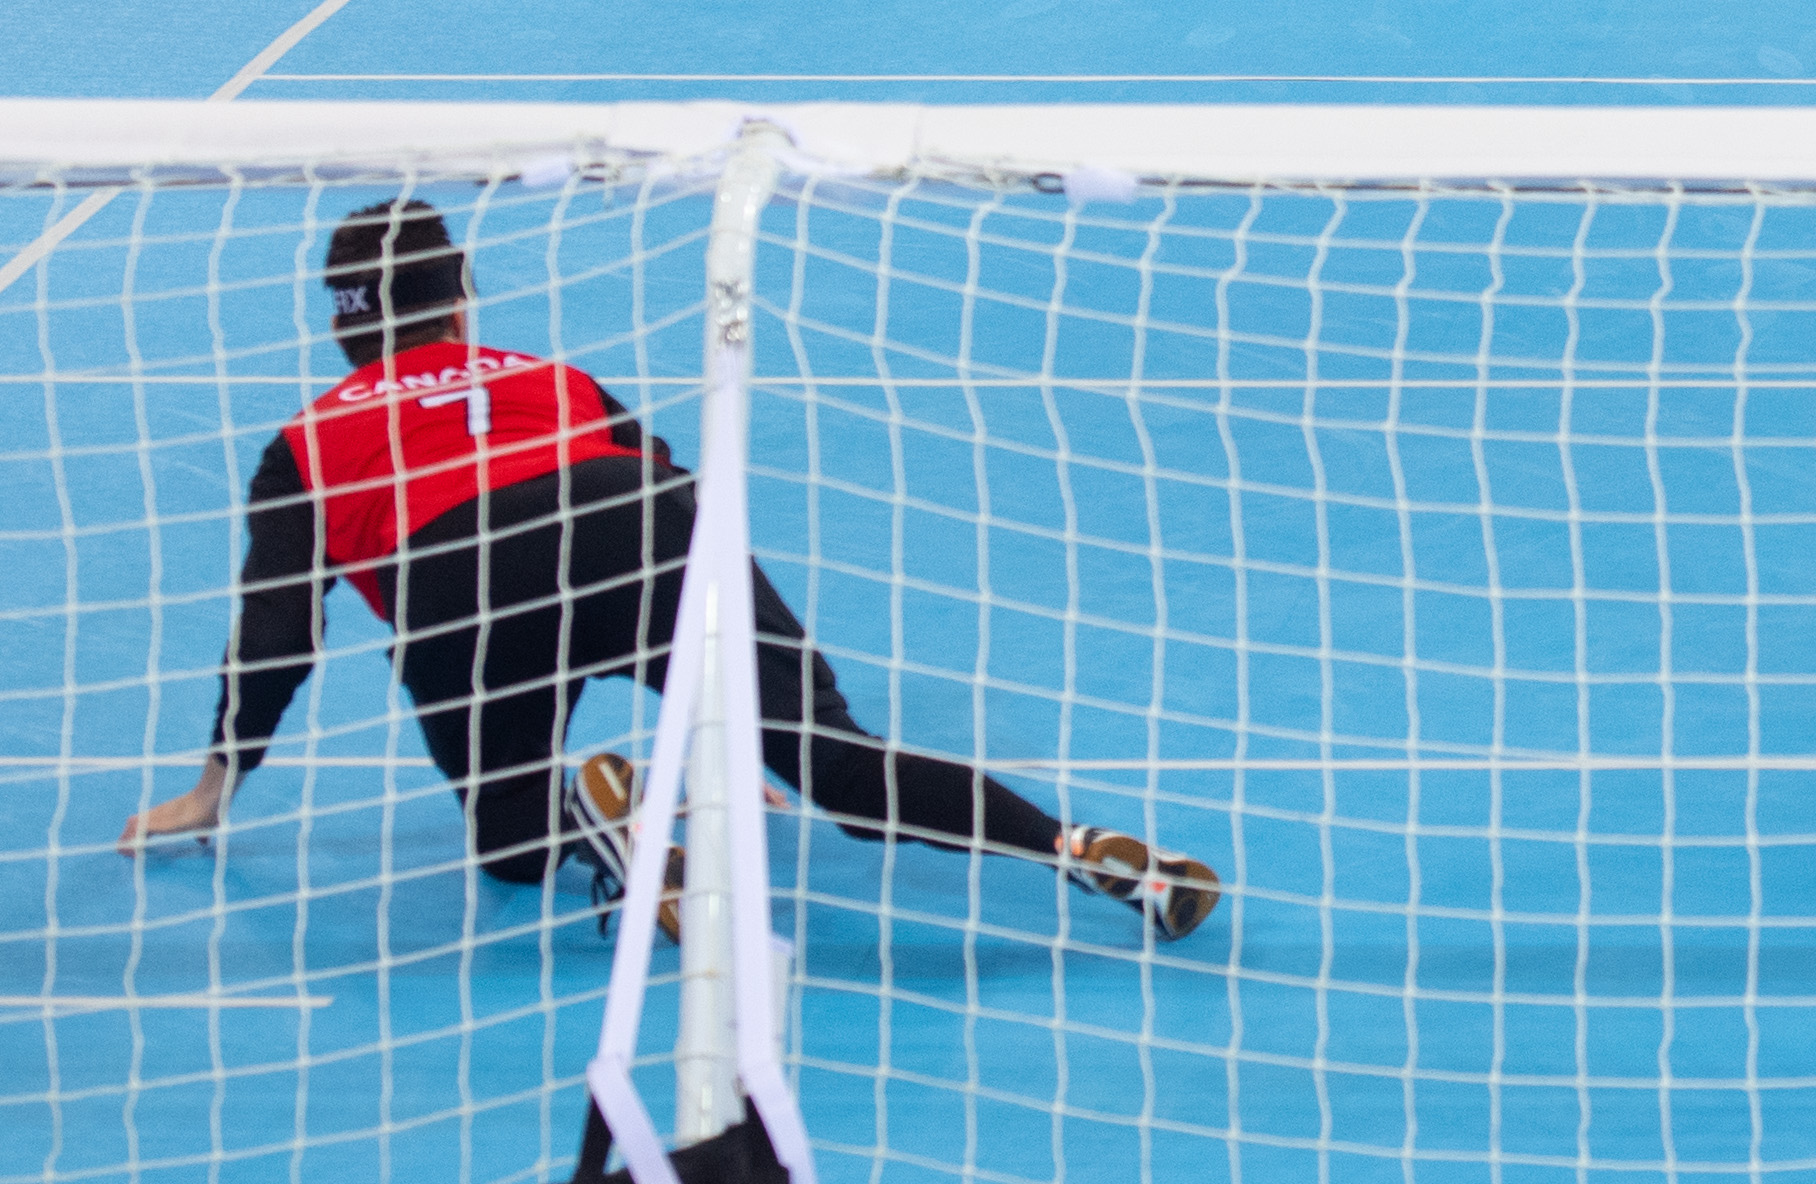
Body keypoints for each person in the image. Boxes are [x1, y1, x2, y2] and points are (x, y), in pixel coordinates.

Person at [117, 204, 1222, 943]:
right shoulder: (555, 377)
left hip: (460, 588)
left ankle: (607, 825)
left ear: (343, 332)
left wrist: (220, 779)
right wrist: (742, 713)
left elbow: (277, 632)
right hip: (639, 523)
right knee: (838, 762)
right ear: (461, 302)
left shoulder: (303, 443)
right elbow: (677, 496)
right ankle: (1083, 849)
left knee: (511, 852)